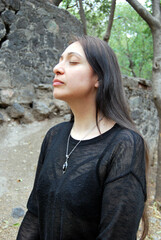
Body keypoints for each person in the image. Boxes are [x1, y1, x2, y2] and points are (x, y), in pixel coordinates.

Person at [16, 36, 148, 240]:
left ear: (100, 78)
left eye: (73, 61)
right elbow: (35, 214)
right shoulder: (54, 136)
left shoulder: (124, 145)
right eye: (59, 60)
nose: (57, 68)